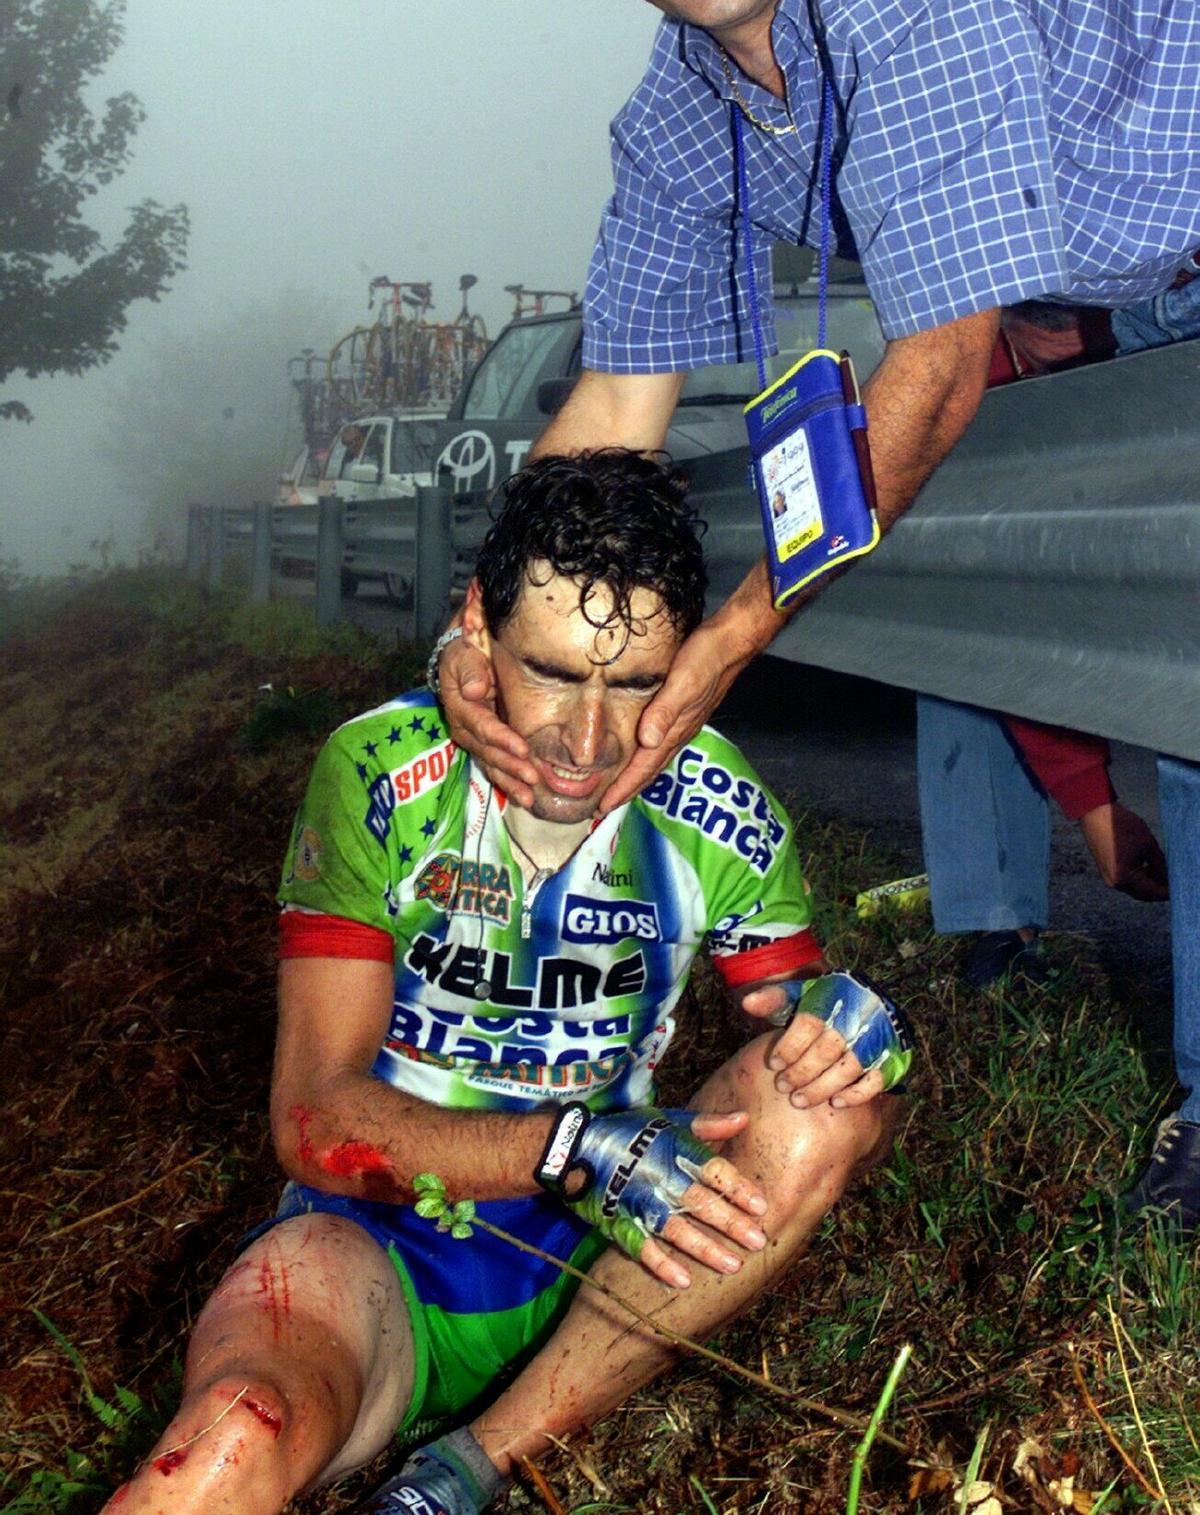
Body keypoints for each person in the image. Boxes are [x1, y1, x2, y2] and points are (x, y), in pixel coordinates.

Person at [434, 0, 1199, 1223]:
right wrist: (472, 625)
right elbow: (617, 404)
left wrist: (720, 646)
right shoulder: (678, 115)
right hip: (1141, 287)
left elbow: (938, 364)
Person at [103, 451, 908, 1515]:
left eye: (637, 683)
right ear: (477, 627)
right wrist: (566, 1150)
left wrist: (865, 1044)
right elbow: (311, 1117)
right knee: (228, 1438)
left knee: (823, 1102)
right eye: (554, 672)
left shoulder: (719, 798)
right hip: (379, 1249)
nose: (588, 738)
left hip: (612, 1258)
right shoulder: (379, 771)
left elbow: (829, 1090)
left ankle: (472, 1465)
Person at [919, 303, 1168, 989]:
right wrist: (1095, 806)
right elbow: (1001, 611)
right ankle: (1001, 926)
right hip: (1030, 463)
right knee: (936, 619)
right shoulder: (969, 369)